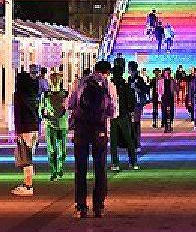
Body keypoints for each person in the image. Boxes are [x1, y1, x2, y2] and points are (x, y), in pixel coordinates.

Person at [69, 61, 117, 219]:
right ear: (107, 72)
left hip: (81, 129)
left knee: (80, 168)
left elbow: (70, 104)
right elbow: (113, 111)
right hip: (100, 129)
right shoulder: (108, 85)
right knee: (100, 167)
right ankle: (99, 206)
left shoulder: (79, 82)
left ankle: (80, 206)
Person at [11, 71, 41, 196]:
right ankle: (27, 184)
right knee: (29, 157)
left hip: (25, 129)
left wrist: (18, 131)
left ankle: (28, 186)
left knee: (25, 159)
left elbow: (18, 114)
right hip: (34, 128)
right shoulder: (33, 94)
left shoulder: (18, 95)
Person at [40, 71, 69, 180]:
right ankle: (53, 171)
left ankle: (60, 169)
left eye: (57, 79)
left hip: (62, 124)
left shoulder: (65, 94)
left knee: (62, 150)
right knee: (52, 150)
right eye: (53, 79)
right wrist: (45, 117)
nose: (55, 81)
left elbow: (69, 108)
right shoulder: (46, 95)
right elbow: (41, 110)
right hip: (50, 125)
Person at [110, 66, 139, 172]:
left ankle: (115, 163)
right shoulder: (125, 85)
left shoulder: (110, 85)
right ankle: (133, 161)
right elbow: (131, 100)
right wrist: (130, 111)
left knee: (113, 141)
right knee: (129, 138)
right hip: (123, 115)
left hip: (112, 115)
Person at [158, 68, 176, 133]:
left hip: (171, 97)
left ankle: (170, 125)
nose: (167, 74)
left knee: (171, 112)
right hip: (164, 98)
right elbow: (159, 90)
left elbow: (176, 89)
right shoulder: (161, 81)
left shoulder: (172, 80)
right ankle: (166, 126)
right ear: (164, 73)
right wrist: (159, 98)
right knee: (164, 112)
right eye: (166, 73)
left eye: (169, 73)